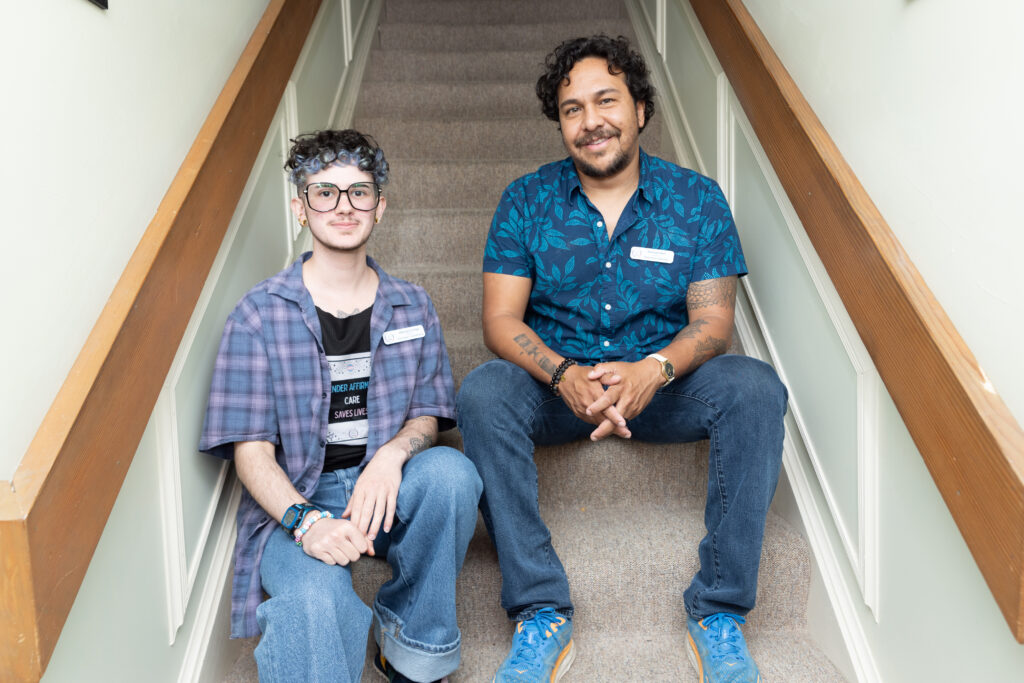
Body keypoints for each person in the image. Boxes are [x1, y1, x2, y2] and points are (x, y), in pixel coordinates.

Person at [455, 35, 787, 682]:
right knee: (483, 392)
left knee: (755, 388)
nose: (590, 121)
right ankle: (540, 610)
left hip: (663, 386)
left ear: (640, 108)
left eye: (606, 100)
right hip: (557, 387)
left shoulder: (696, 200)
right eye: (572, 109)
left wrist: (654, 369)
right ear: (560, 124)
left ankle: (718, 611)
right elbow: (500, 321)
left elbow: (715, 322)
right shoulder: (526, 200)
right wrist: (560, 372)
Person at [200, 129, 481, 683]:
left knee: (453, 475)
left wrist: (392, 456)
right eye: (325, 192)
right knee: (312, 605)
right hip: (298, 496)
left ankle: (412, 651)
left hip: (384, 484)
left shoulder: (412, 304)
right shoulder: (258, 316)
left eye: (359, 191)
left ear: (381, 206)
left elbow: (427, 412)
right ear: (300, 208)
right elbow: (251, 452)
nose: (344, 206)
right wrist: (305, 520)